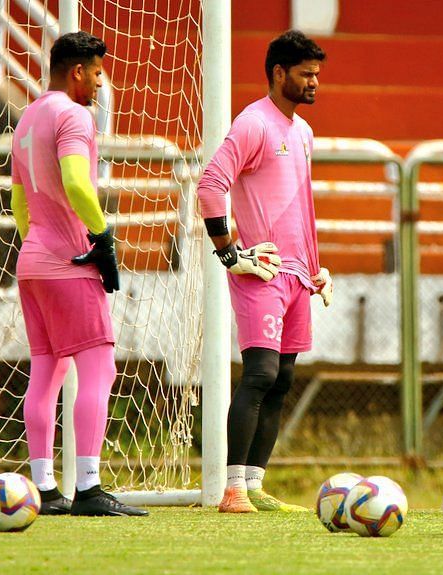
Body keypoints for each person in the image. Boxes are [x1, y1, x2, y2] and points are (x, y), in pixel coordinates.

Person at [11, 31, 147, 517]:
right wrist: (100, 236)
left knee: (46, 371)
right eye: (96, 73)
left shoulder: (27, 118)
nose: (99, 82)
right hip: (71, 262)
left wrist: (39, 244)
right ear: (77, 72)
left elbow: (19, 202)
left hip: (32, 262)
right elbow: (74, 181)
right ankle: (88, 487)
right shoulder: (73, 114)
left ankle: (44, 488)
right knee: (99, 366)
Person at [197, 30, 331, 513]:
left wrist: (317, 268)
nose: (315, 83)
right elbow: (211, 186)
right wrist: (232, 255)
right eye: (306, 75)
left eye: (317, 75)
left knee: (283, 378)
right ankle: (231, 489)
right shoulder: (253, 123)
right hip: (260, 273)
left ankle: (254, 484)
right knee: (260, 373)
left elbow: (302, 208)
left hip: (296, 275)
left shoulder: (303, 132)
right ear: (279, 73)